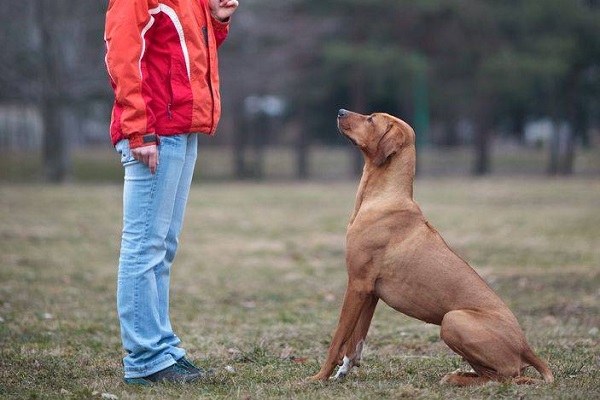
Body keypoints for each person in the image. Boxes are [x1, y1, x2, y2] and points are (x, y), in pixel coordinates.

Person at [104, 0, 239, 385]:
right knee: (144, 247)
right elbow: (122, 55)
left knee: (162, 246)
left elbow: (189, 60)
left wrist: (217, 19)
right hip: (154, 133)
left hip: (180, 130)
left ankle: (162, 350)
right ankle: (146, 358)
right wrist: (138, 129)